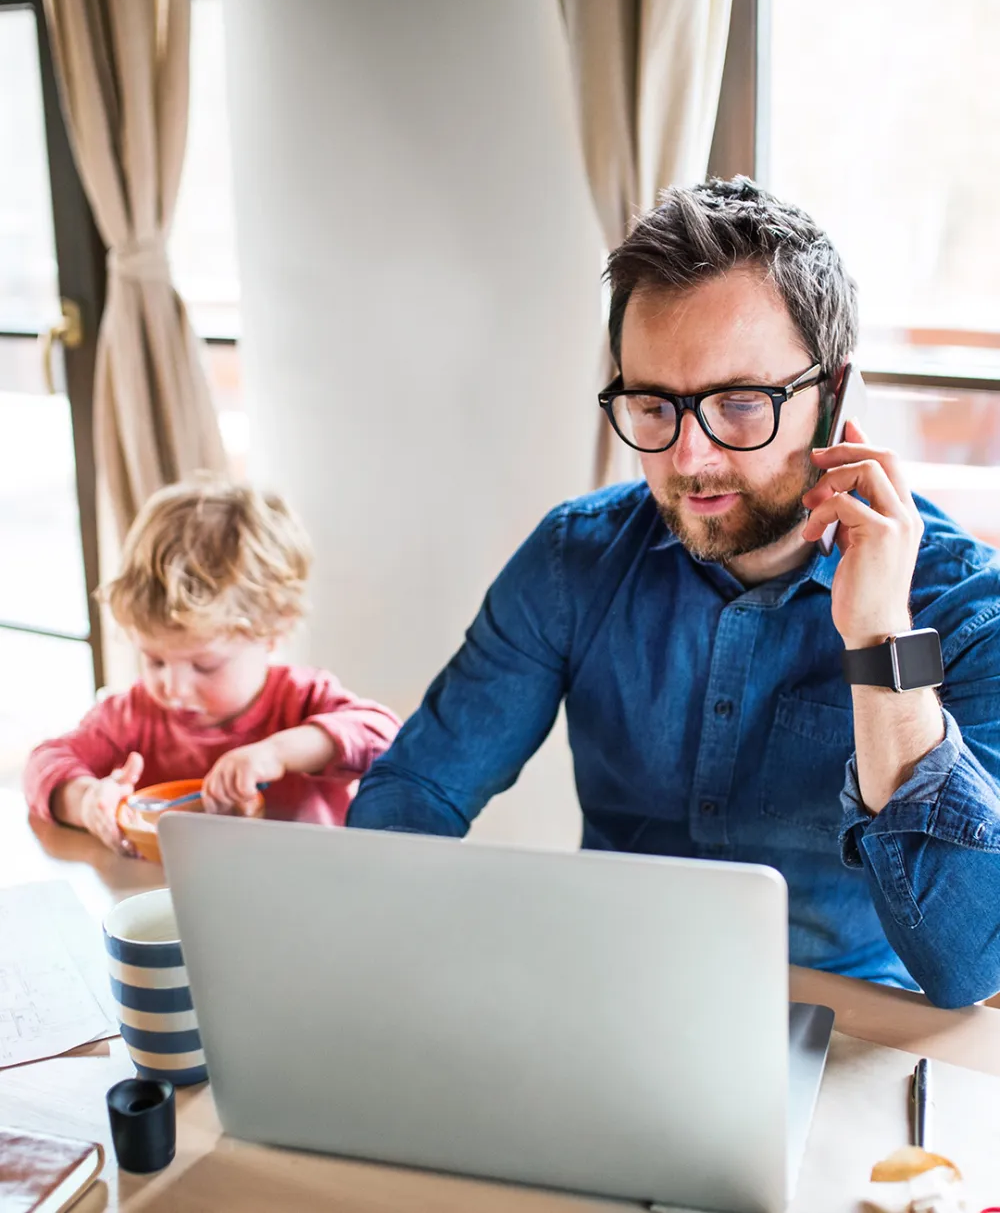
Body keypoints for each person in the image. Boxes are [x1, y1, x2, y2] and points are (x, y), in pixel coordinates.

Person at [348, 177, 1000, 1009]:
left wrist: (878, 641)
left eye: (739, 403)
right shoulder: (571, 561)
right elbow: (420, 791)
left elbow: (966, 964)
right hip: (609, 1002)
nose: (689, 459)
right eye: (654, 404)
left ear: (836, 402)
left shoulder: (965, 607)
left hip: (849, 1033)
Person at [24, 480, 400, 853]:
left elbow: (385, 737)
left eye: (204, 666)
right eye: (155, 660)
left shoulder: (301, 700)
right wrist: (87, 801)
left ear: (274, 631)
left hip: (308, 892)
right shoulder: (132, 716)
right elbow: (44, 763)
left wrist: (278, 753)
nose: (173, 687)